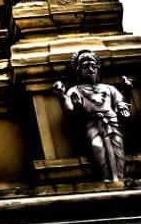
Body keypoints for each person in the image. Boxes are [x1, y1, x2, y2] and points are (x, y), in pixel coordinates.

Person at [53, 49, 132, 182]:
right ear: (78, 71)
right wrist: (61, 95)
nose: (90, 69)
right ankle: (107, 179)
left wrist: (127, 93)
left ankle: (118, 179)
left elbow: (120, 103)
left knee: (118, 149)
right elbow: (70, 108)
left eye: (93, 65)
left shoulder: (109, 88)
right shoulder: (76, 90)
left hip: (112, 123)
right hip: (93, 125)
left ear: (98, 69)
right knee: (97, 146)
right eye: (85, 66)